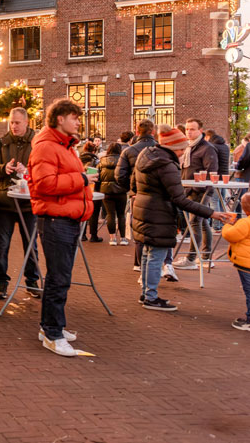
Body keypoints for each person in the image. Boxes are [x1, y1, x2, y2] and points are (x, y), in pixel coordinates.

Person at [133, 125, 231, 311]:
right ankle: (151, 297)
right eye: (180, 148)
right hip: (159, 213)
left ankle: (146, 293)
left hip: (143, 209)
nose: (182, 152)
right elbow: (180, 199)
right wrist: (212, 213)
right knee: (156, 255)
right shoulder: (166, 165)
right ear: (172, 147)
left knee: (148, 253)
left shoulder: (146, 155)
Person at [28, 98, 96, 357]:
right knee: (59, 277)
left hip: (66, 218)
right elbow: (45, 184)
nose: (78, 121)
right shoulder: (48, 147)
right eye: (74, 117)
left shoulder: (64, 146)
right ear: (60, 119)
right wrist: (81, 178)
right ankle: (53, 333)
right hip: (57, 220)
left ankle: (50, 326)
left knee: (60, 277)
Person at [0, 107, 40, 300]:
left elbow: (43, 170)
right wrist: (4, 168)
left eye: (17, 122)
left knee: (31, 244)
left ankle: (32, 281)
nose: (13, 126)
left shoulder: (37, 143)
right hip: (6, 202)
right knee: (3, 244)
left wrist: (27, 172)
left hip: (28, 202)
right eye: (11, 122)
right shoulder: (2, 143)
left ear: (27, 122)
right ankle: (2, 283)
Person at [174, 118, 218, 270]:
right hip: (188, 190)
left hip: (201, 191)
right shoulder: (188, 147)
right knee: (203, 222)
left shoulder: (207, 148)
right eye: (187, 129)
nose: (189, 132)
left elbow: (212, 171)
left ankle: (192, 258)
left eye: (192, 129)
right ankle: (205, 256)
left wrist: (201, 189)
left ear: (200, 130)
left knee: (195, 222)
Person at [115, 119, 159, 268]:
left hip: (137, 196)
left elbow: (119, 176)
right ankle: (158, 263)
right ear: (153, 132)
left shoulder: (128, 151)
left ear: (137, 131)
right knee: (158, 227)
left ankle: (138, 262)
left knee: (139, 228)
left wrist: (131, 190)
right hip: (158, 195)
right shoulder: (161, 149)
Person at [221, 193, 250, 330]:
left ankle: (249, 320)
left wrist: (227, 225)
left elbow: (230, 235)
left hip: (246, 263)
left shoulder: (246, 222)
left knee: (249, 290)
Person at [98, 142, 128, 245]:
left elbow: (98, 177)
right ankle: (123, 238)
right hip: (121, 191)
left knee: (110, 214)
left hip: (106, 191)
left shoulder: (102, 161)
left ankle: (112, 238)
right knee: (121, 214)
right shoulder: (122, 161)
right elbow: (126, 175)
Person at [79, 141, 103, 243]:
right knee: (94, 211)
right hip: (94, 188)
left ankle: (83, 234)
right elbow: (98, 175)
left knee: (83, 210)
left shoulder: (78, 160)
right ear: (94, 151)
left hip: (81, 187)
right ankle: (93, 235)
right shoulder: (96, 161)